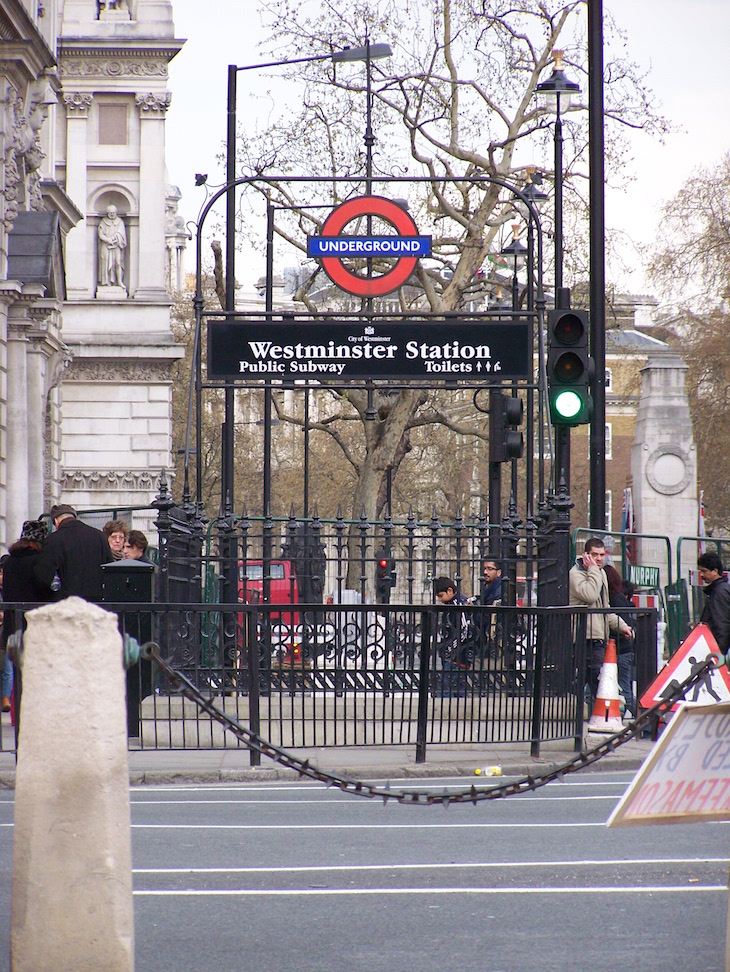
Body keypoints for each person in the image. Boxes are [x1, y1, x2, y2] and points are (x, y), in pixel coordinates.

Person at [569, 537, 634, 704]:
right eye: (594, 554)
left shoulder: (601, 574)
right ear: (585, 555)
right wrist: (594, 571)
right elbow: (590, 595)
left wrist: (622, 626)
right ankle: (608, 712)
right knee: (599, 682)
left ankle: (593, 713)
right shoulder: (575, 574)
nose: (599, 559)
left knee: (592, 681)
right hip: (586, 637)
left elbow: (604, 609)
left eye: (601, 555)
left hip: (599, 637)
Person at [1, 521, 47, 715]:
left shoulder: (9, 561)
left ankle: (17, 714)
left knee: (16, 671)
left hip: (13, 622)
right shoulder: (40, 561)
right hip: (34, 623)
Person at [34, 504, 113, 602]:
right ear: (74, 517)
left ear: (56, 521)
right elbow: (110, 570)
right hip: (96, 604)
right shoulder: (100, 536)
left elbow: (43, 577)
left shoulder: (53, 540)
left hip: (66, 604)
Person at [604, 564, 637, 719]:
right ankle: (645, 718)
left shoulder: (614, 599)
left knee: (624, 689)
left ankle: (645, 717)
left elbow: (618, 620)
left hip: (619, 649)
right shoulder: (618, 597)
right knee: (624, 688)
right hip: (622, 649)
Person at [433, 576, 472, 698]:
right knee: (457, 689)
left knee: (446, 689)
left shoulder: (458, 604)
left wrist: (450, 648)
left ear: (450, 591)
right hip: (456, 655)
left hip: (457, 656)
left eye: (441, 596)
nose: (440, 600)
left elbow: (464, 629)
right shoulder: (453, 603)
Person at [697, 551, 730, 652]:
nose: (701, 575)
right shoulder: (721, 590)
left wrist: (718, 655)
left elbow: (722, 625)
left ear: (715, 571)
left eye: (704, 571)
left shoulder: (718, 593)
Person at [97, 204, 127, 287]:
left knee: (118, 262)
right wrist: (107, 239)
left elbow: (121, 233)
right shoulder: (103, 221)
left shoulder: (120, 222)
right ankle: (105, 282)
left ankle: (119, 281)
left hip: (116, 245)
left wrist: (114, 239)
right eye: (110, 213)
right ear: (107, 213)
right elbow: (100, 234)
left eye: (113, 212)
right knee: (105, 262)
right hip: (105, 245)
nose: (112, 214)